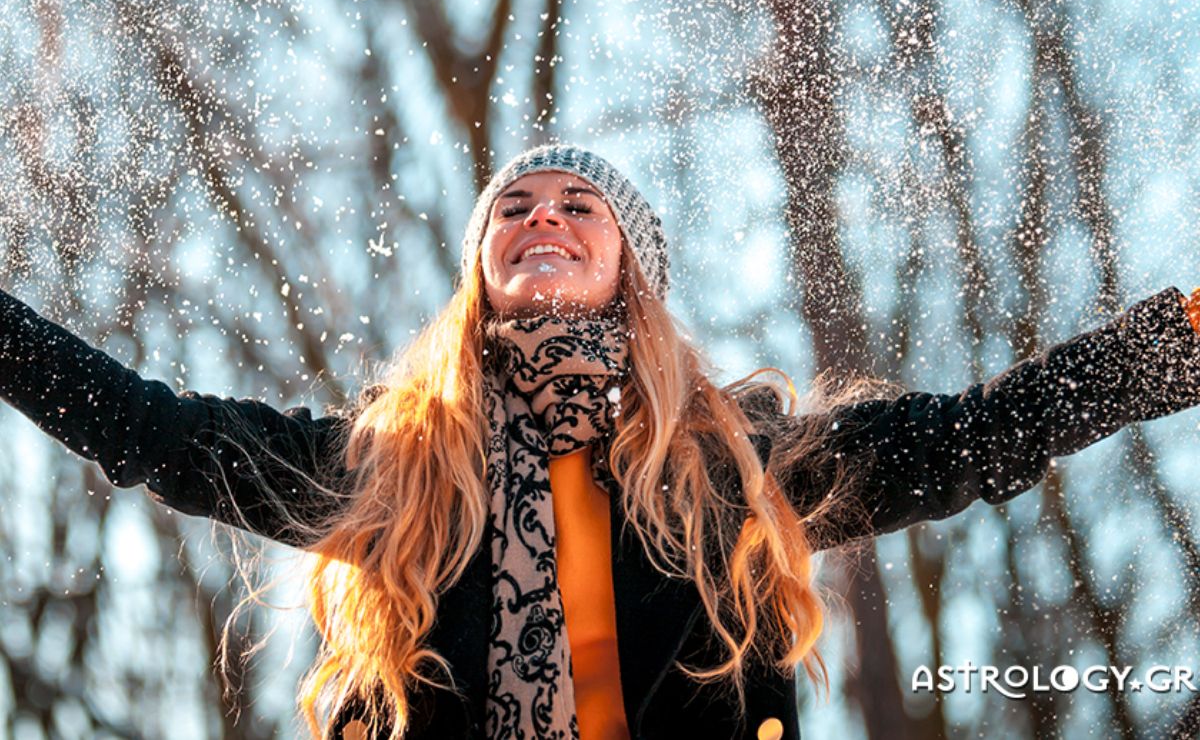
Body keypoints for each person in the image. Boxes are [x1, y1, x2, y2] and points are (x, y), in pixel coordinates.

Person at [2, 142, 1200, 740]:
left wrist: (1179, 342)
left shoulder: (736, 465)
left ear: (632, 270)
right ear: (482, 271)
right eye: (514, 208)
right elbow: (149, 429)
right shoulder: (394, 469)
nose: (544, 217)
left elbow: (984, 435)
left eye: (581, 205)